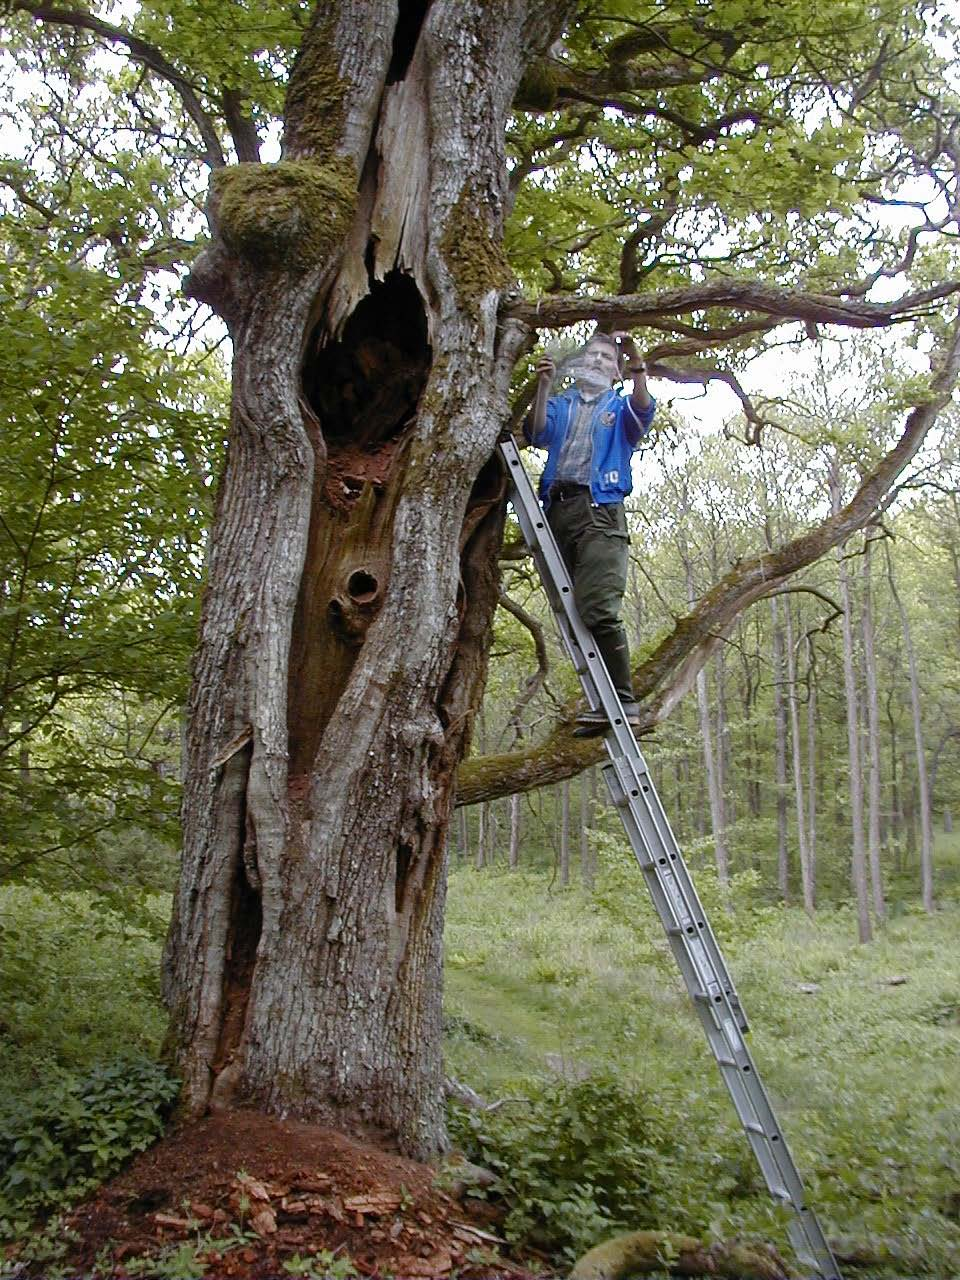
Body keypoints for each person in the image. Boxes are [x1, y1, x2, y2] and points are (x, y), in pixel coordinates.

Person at [524, 330, 656, 735]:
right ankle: (603, 705)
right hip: (558, 510)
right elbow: (536, 432)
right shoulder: (563, 405)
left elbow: (643, 407)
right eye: (592, 356)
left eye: (606, 358)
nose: (598, 361)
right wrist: (543, 385)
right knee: (575, 611)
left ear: (616, 372)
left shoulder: (619, 407)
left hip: (599, 511)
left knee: (597, 607)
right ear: (579, 366)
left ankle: (625, 703)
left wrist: (636, 362)